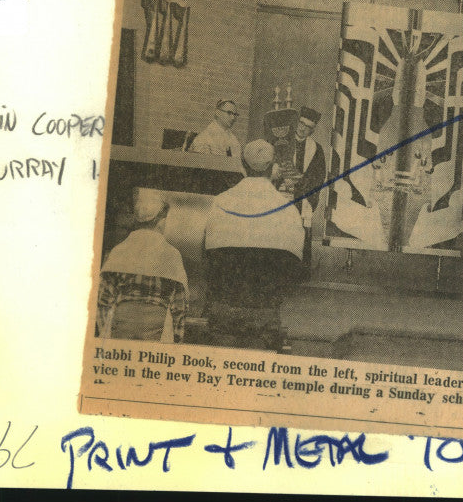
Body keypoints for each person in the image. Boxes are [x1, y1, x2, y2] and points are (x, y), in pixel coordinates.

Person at [204, 139, 306, 349]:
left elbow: (207, 256)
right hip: (265, 312)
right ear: (273, 167)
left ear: (242, 165)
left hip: (223, 309)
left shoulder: (220, 202)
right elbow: (295, 269)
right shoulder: (287, 209)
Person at [97, 190, 188, 343]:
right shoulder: (172, 255)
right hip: (157, 341)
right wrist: (176, 340)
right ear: (161, 220)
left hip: (118, 338)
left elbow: (102, 303)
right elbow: (179, 310)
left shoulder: (118, 251)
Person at [281, 106, 326, 264]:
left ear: (312, 130)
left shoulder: (316, 150)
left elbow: (318, 178)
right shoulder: (281, 143)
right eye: (301, 123)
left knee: (299, 235)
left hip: (302, 199)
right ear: (296, 122)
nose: (302, 128)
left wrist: (300, 184)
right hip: (281, 196)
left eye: (308, 126)